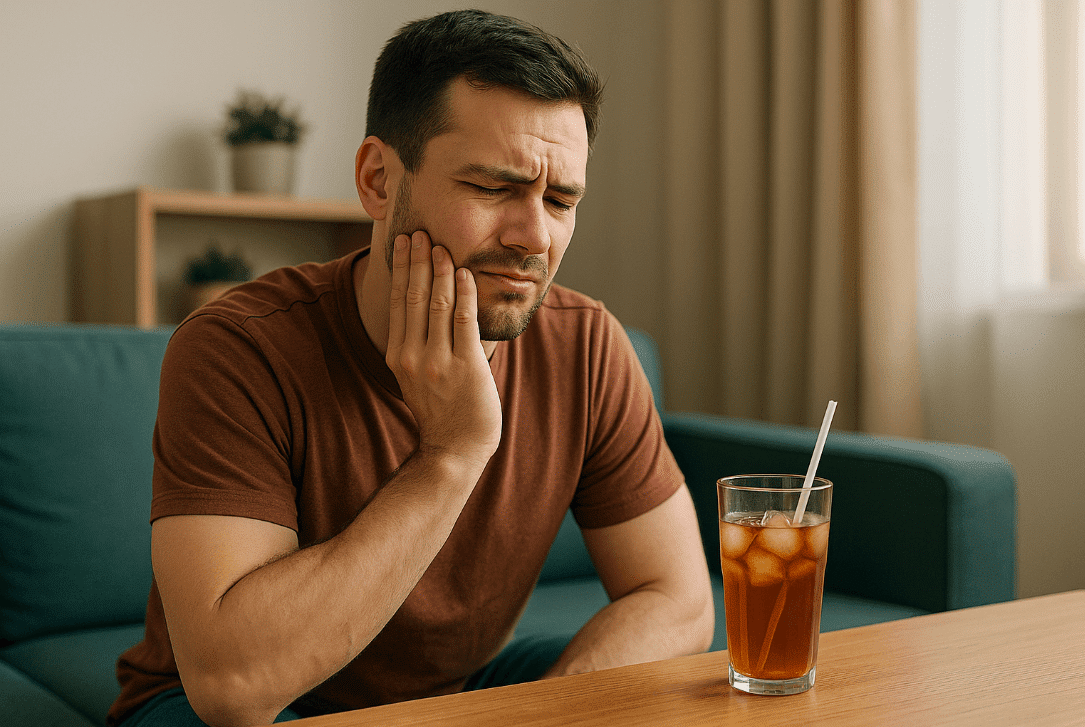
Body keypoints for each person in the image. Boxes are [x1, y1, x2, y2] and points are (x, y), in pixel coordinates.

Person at [108, 9, 712, 727]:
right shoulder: (237, 348)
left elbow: (676, 598)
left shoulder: (585, 345)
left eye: (559, 199)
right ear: (377, 180)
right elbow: (234, 686)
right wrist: (451, 452)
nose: (534, 238)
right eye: (492, 188)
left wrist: (548, 713)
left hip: (453, 689)